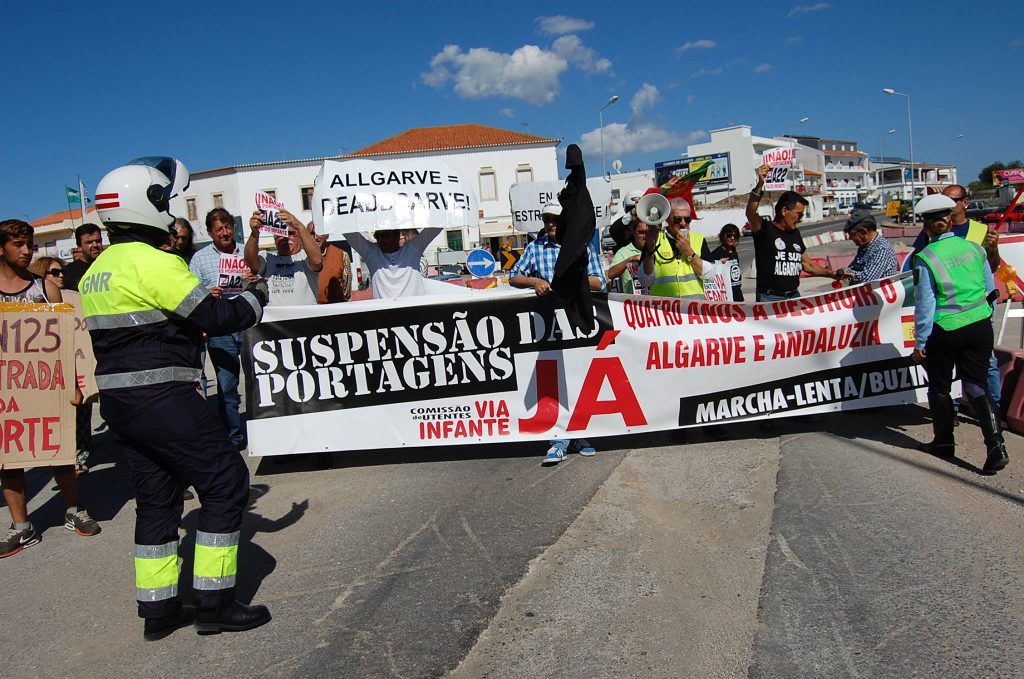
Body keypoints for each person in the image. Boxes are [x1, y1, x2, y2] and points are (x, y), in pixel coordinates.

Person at [81, 158, 272, 639]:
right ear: (143, 206)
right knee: (227, 482)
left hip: (121, 404)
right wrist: (256, 295)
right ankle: (215, 603)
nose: (167, 210)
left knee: (157, 499)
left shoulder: (96, 271)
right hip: (162, 393)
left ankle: (159, 611)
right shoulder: (154, 262)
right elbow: (213, 314)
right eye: (162, 201)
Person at [0, 219, 101, 559]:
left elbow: (65, 341)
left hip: (48, 385)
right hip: (9, 390)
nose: (26, 250)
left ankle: (74, 508)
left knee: (59, 452)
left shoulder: (46, 288)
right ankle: (21, 527)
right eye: (18, 244)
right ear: (2, 248)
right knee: (9, 460)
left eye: (29, 244)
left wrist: (74, 383)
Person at [911, 194, 1008, 475]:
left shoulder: (925, 257)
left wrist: (920, 343)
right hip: (979, 326)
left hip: (946, 329)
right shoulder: (975, 250)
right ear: (950, 220)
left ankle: (944, 442)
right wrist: (984, 319)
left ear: (926, 226)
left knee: (940, 387)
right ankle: (996, 445)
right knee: (977, 386)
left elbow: (926, 305)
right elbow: (990, 289)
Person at [510, 201, 606, 465]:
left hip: (578, 324)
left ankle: (577, 435)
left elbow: (600, 280)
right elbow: (514, 276)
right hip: (548, 327)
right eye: (547, 219)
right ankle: (559, 439)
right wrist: (535, 281)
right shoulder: (534, 248)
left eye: (555, 219)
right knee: (555, 384)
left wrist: (572, 282)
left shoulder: (583, 247)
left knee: (578, 381)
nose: (550, 224)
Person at [189, 208, 252, 449]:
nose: (225, 232)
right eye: (219, 229)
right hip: (220, 330)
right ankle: (233, 438)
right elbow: (191, 293)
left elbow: (264, 278)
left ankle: (261, 431)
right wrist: (207, 294)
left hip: (248, 325)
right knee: (227, 387)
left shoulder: (248, 250)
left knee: (259, 382)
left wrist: (254, 278)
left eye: (227, 226)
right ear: (210, 232)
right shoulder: (199, 258)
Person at [28, 256, 93, 475]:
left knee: (81, 411)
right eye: (54, 273)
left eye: (61, 271)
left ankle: (79, 456)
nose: (61, 275)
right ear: (41, 276)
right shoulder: (31, 303)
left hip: (76, 364)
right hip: (46, 371)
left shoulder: (75, 299)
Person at [746, 163, 840, 301]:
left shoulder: (795, 234)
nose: (800, 219)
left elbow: (808, 265)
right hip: (769, 298)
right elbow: (750, 212)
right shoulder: (764, 229)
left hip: (794, 297)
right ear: (784, 211)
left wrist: (833, 274)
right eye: (798, 214)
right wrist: (760, 184)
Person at [637, 198, 713, 299]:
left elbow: (710, 276)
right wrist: (650, 249)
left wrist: (689, 252)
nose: (683, 223)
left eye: (687, 219)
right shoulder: (655, 239)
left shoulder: (698, 239)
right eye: (677, 219)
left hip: (693, 310)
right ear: (667, 219)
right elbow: (645, 281)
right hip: (666, 311)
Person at [245, 207, 322, 305]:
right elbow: (250, 260)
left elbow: (317, 261)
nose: (285, 238)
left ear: (300, 237)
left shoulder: (305, 257)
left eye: (291, 234)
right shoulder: (268, 258)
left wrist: (299, 226)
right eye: (280, 233)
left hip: (304, 318)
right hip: (275, 318)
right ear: (274, 239)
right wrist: (254, 232)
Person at [346, 225, 442, 298]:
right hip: (386, 319)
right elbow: (347, 229)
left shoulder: (413, 249)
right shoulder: (371, 253)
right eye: (377, 236)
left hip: (415, 317)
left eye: (385, 235)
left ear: (397, 235)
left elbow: (437, 224)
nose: (380, 239)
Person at [837, 211, 899, 285]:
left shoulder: (881, 249)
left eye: (852, 234)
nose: (850, 238)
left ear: (863, 232)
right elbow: (852, 268)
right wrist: (843, 272)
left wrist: (845, 273)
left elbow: (867, 281)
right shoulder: (864, 247)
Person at [311, 222, 352, 303]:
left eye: (319, 232)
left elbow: (346, 289)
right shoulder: (301, 257)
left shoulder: (342, 255)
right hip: (311, 309)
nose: (316, 237)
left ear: (327, 235)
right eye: (312, 233)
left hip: (334, 308)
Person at [607, 220, 648, 294]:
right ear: (634, 233)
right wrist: (629, 260)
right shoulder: (623, 252)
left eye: (647, 233)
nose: (644, 236)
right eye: (641, 232)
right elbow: (611, 274)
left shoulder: (659, 250)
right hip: (632, 302)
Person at [63, 222, 104, 291]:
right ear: (79, 246)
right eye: (89, 242)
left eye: (98, 241)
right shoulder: (69, 272)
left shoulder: (110, 265)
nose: (95, 245)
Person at [708, 223, 744, 301]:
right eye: (729, 235)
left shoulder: (734, 251)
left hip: (737, 293)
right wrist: (718, 263)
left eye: (735, 236)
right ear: (722, 236)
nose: (732, 238)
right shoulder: (716, 253)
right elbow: (708, 270)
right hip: (725, 295)